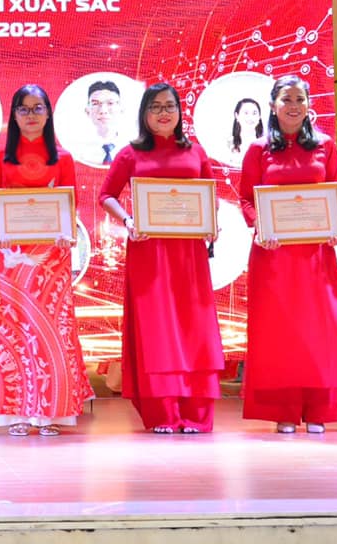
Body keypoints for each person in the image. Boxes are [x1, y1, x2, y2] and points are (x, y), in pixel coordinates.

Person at [99, 82, 224, 434]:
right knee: (157, 330)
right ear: (144, 113)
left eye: (170, 106)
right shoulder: (130, 154)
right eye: (155, 107)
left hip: (189, 255)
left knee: (193, 329)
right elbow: (107, 195)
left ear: (180, 112)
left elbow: (210, 196)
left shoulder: (196, 152)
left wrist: (211, 224)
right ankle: (163, 412)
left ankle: (195, 412)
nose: (163, 112)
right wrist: (129, 221)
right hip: (150, 254)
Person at [236, 75, 337, 434]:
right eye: (286, 99)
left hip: (315, 255)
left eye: (299, 99)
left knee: (320, 330)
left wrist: (336, 226)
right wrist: (260, 227)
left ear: (308, 105)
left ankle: (318, 408)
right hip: (273, 256)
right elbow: (246, 198)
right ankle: (284, 409)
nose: (293, 106)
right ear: (273, 105)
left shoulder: (325, 145)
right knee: (280, 332)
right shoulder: (258, 149)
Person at [0, 84, 92, 436]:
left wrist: (66, 231)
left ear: (48, 113)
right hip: (13, 256)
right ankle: (16, 413)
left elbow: (69, 204)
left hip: (52, 258)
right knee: (15, 331)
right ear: (14, 115)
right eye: (23, 109)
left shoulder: (63, 158)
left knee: (53, 331)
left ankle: (52, 412)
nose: (31, 115)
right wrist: (0, 230)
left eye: (38, 108)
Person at [85, 80, 131, 164]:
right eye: (95, 104)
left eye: (110, 103)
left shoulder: (133, 148)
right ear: (87, 111)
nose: (103, 110)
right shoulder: (79, 152)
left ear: (121, 109)